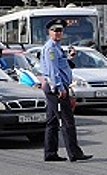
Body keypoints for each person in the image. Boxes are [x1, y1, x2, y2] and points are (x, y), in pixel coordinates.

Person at [40, 18, 93, 162]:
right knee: (67, 120)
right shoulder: (51, 48)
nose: (58, 33)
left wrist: (69, 58)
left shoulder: (56, 47)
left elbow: (60, 65)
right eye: (55, 30)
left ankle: (50, 153)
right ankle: (74, 153)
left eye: (60, 30)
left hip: (55, 87)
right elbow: (52, 70)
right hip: (56, 88)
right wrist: (60, 87)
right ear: (49, 32)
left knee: (52, 121)